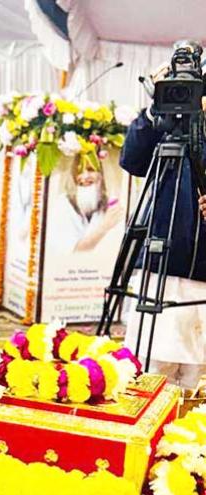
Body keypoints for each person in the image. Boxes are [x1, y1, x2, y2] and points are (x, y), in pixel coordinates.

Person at [119, 66, 206, 390]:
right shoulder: (167, 117)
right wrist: (157, 103)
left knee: (197, 377)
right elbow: (133, 160)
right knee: (151, 369)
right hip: (163, 254)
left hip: (203, 265)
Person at [47, 156, 123, 255]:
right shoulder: (63, 205)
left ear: (101, 176)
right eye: (79, 171)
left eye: (91, 170)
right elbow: (75, 252)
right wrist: (104, 227)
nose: (85, 176)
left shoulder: (111, 206)